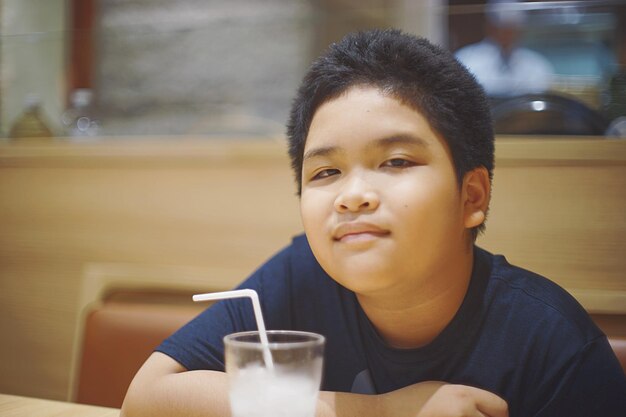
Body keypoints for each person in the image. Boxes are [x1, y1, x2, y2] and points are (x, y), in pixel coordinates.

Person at [120, 29, 626, 417]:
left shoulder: (550, 343)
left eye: (396, 162)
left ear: (471, 196)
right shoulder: (301, 277)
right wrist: (381, 410)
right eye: (326, 172)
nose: (353, 196)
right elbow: (147, 396)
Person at [454, 0, 554, 98]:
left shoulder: (537, 65)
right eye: (501, 27)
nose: (507, 33)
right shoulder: (466, 60)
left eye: (512, 28)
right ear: (489, 26)